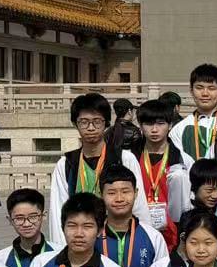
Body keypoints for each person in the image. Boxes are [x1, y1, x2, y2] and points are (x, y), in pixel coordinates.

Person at [48, 92, 156, 234]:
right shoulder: (66, 164)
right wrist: (63, 246)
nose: (91, 128)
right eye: (84, 122)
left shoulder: (124, 159)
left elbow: (138, 205)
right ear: (75, 124)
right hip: (80, 237)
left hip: (117, 237)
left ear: (106, 123)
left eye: (97, 121)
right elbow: (58, 212)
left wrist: (143, 238)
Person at [97, 166, 169, 267]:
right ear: (101, 195)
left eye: (125, 191)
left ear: (136, 193)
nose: (119, 199)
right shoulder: (93, 237)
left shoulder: (153, 237)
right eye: (111, 193)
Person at [135, 98, 191, 249]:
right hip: (138, 227)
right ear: (140, 125)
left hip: (173, 232)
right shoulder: (130, 157)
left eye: (160, 123)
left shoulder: (183, 160)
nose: (154, 130)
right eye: (148, 124)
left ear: (170, 125)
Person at [0, 188, 55, 267]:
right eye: (19, 218)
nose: (26, 224)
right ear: (10, 220)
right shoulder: (0, 259)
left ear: (43, 216)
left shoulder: (58, 254)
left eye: (33, 217)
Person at [170, 63, 217, 159]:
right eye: (199, 88)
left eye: (211, 88)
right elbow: (176, 164)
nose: (205, 93)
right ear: (191, 91)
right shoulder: (180, 129)